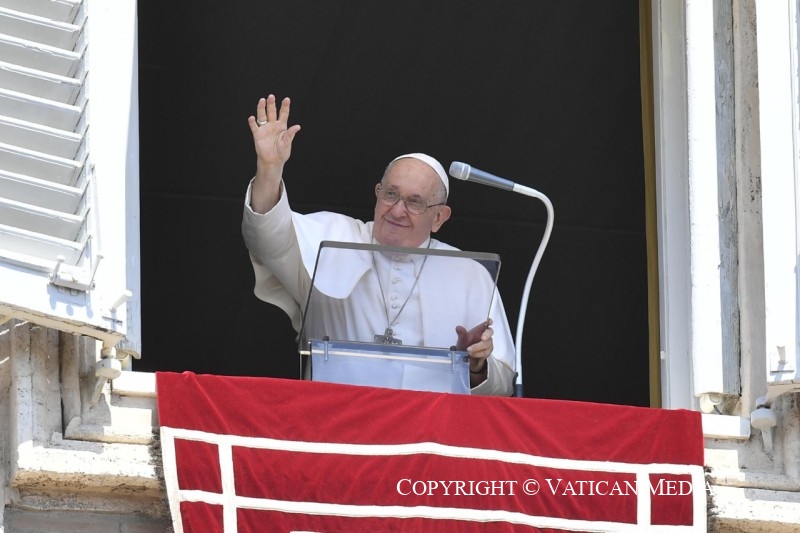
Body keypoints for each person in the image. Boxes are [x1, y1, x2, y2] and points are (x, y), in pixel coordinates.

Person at [241, 94, 515, 396]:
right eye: (390, 195)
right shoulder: (332, 239)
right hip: (337, 415)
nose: (397, 211)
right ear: (377, 193)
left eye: (415, 202)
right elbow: (267, 236)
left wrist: (476, 366)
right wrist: (269, 169)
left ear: (439, 217)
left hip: (428, 422)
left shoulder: (469, 273)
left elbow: (501, 385)